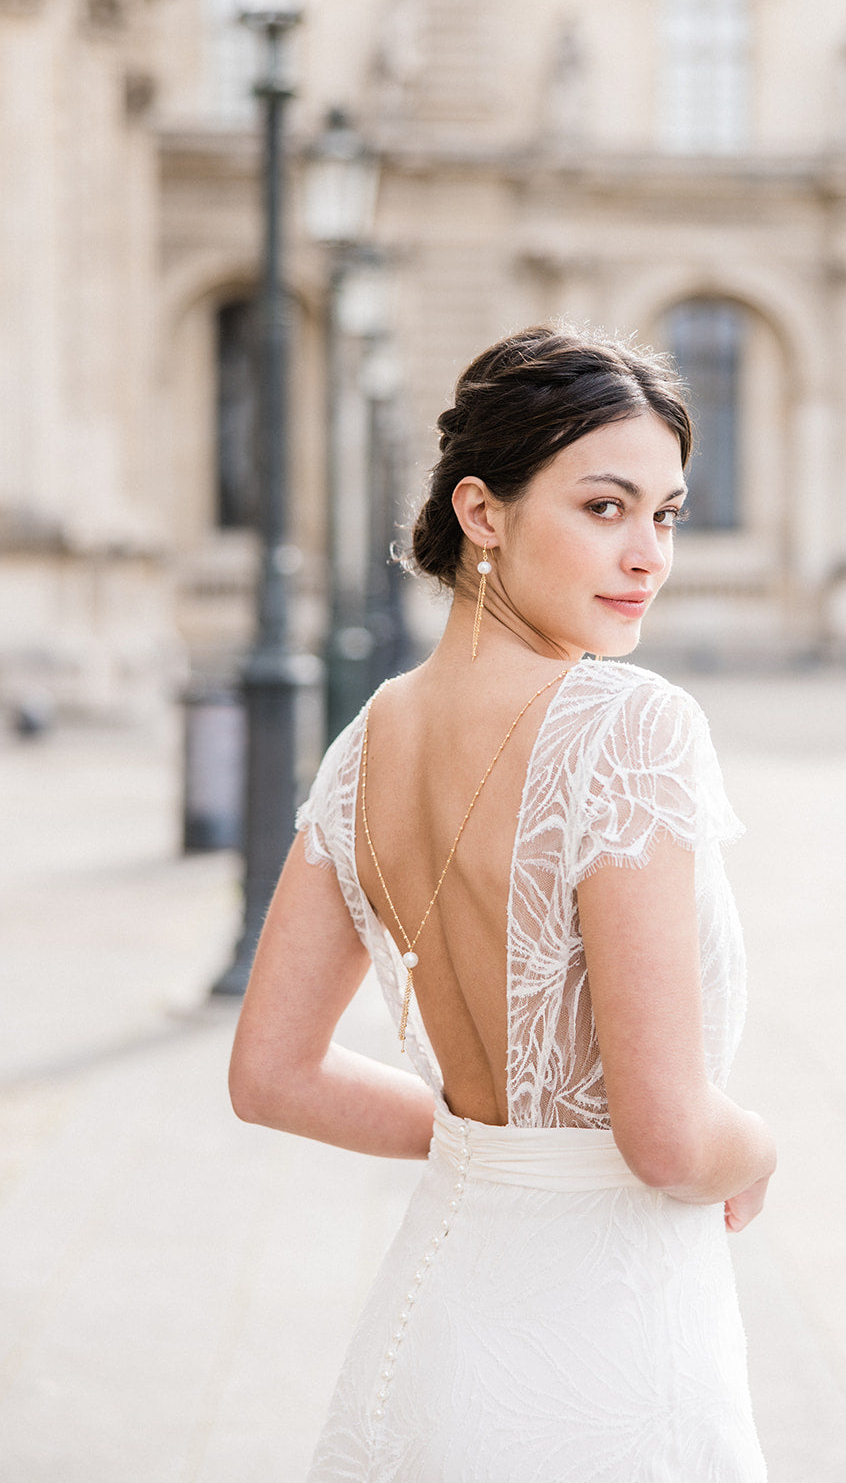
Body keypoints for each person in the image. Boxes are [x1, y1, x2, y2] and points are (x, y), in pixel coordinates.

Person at [228, 324, 776, 1482]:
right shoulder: (628, 724)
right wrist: (757, 1145)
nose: (646, 556)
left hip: (431, 1323)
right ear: (481, 511)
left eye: (665, 514)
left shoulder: (364, 742)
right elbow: (670, 1135)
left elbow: (270, 1073)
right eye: (603, 507)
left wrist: (496, 1151)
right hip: (607, 1355)